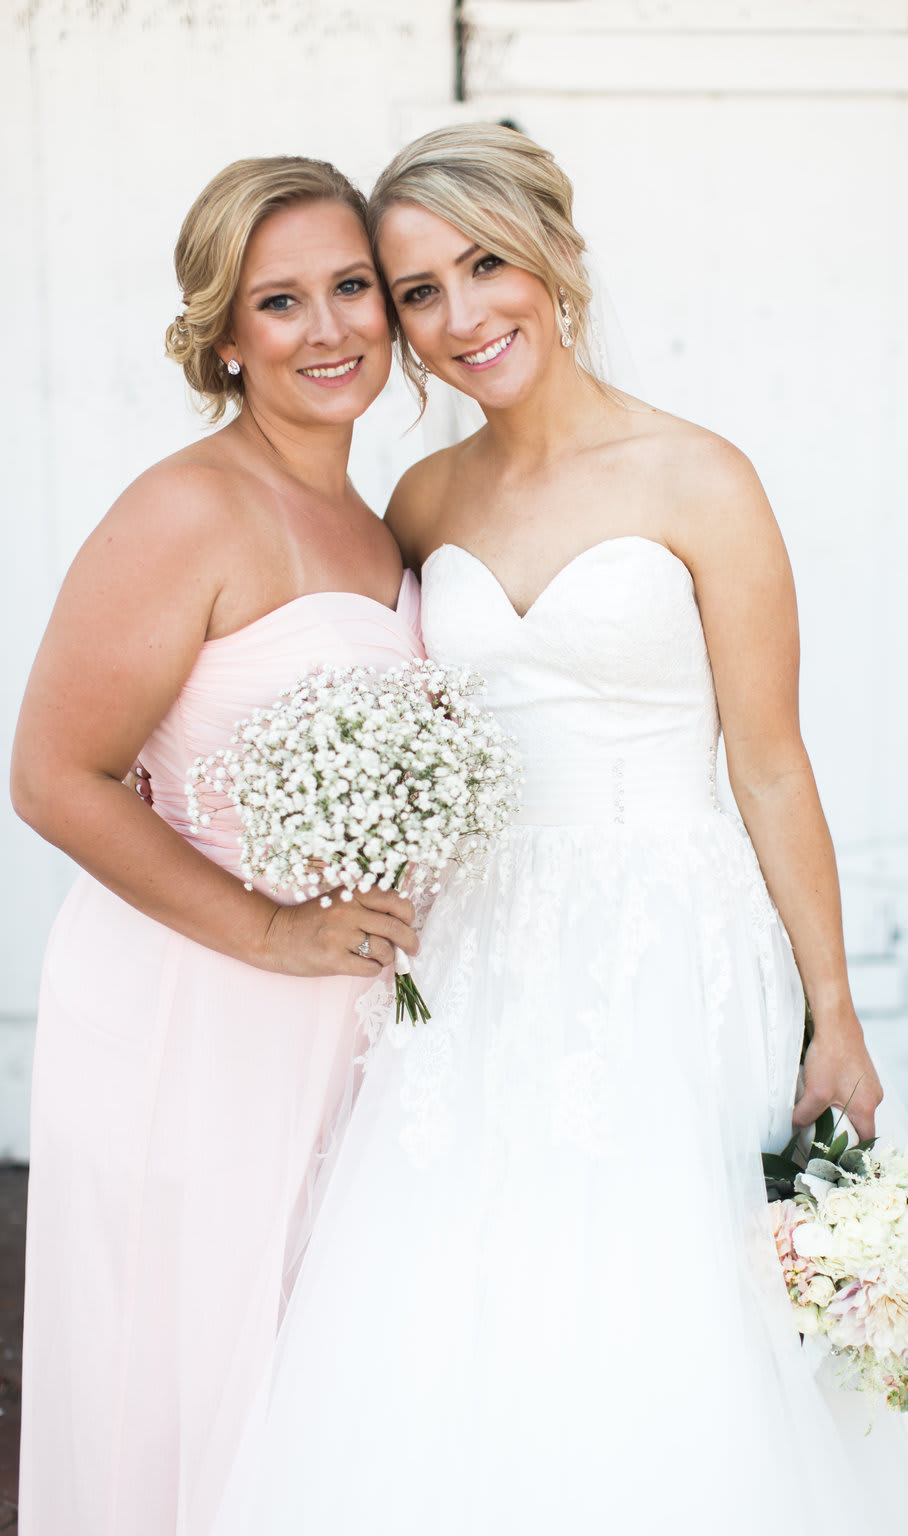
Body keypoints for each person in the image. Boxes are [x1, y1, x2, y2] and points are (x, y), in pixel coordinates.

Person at [211, 126, 908, 1534]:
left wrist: (836, 1013)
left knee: (675, 1282)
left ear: (557, 259)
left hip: (673, 937)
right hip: (476, 951)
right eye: (418, 292)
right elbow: (404, 723)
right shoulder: (423, 500)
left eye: (487, 264)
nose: (462, 316)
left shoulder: (701, 478)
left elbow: (770, 764)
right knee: (461, 1286)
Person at [10, 156, 424, 1536]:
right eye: (281, 301)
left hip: (334, 1016)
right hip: (189, 1009)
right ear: (226, 335)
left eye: (352, 287)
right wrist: (271, 932)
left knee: (299, 1387)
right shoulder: (186, 508)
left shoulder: (377, 524)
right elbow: (52, 777)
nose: (330, 329)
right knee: (181, 1384)